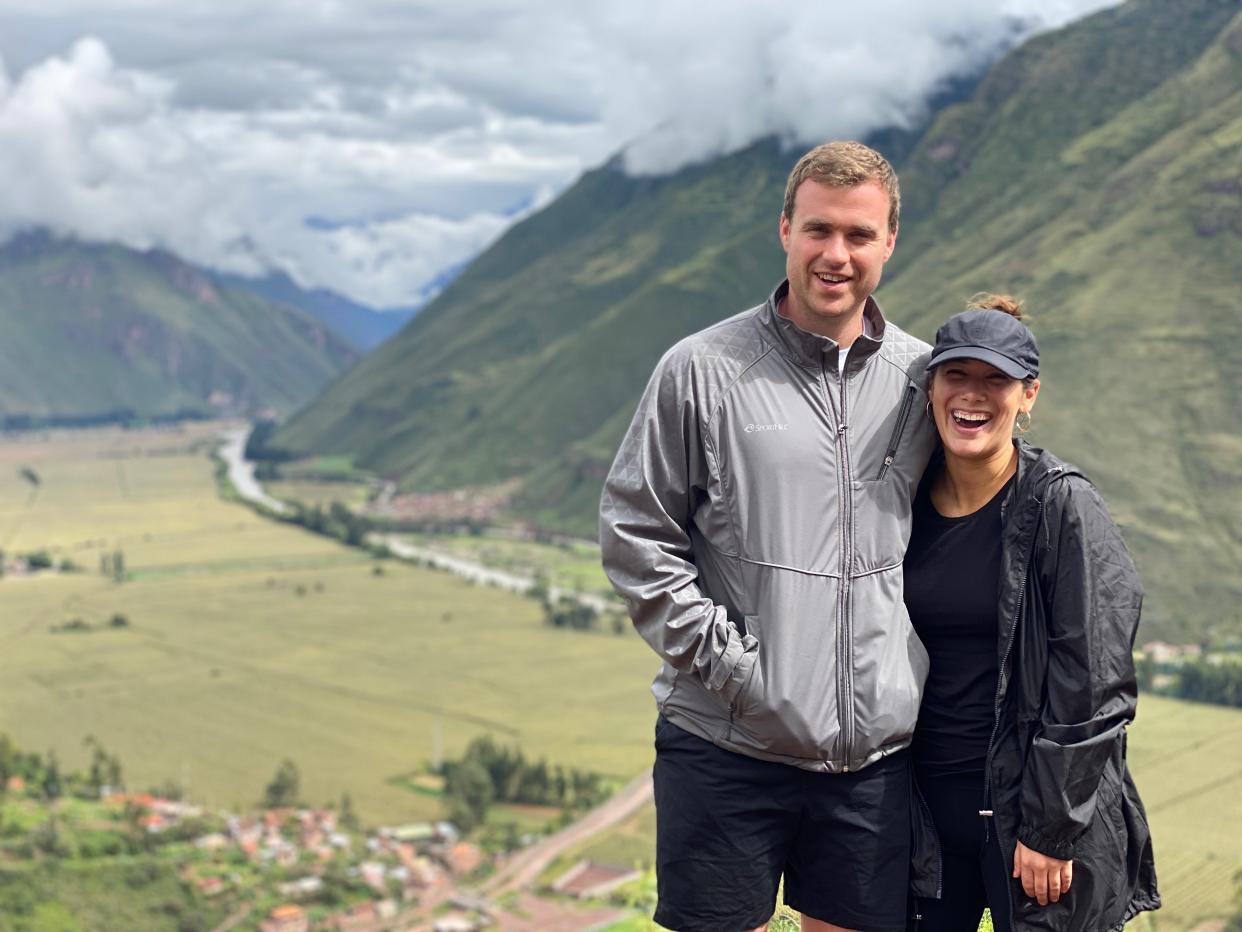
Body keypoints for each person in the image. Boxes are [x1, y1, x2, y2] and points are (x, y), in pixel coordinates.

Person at [600, 140, 938, 932]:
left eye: (859, 235)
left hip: (874, 762)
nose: (836, 254)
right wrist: (736, 672)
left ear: (890, 242)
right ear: (783, 229)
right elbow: (635, 532)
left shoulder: (925, 379)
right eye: (818, 230)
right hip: (726, 748)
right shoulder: (700, 370)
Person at [904, 295, 1160, 930]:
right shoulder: (901, 504)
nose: (973, 395)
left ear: (1029, 395)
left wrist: (1050, 829)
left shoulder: (1062, 506)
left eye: (997, 379)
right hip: (924, 820)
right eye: (957, 375)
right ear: (931, 385)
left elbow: (1095, 680)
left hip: (1032, 823)